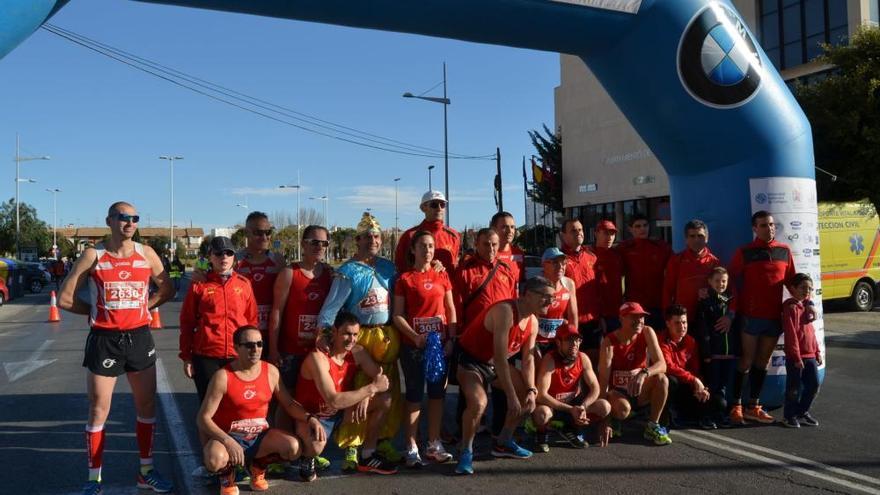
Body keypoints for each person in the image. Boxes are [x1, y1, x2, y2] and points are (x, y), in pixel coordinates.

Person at [58, 201, 175, 495]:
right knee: (98, 410)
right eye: (123, 217)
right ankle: (93, 479)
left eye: (134, 218)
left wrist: (143, 307)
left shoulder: (146, 253)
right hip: (104, 340)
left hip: (139, 338)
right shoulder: (93, 255)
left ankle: (146, 471)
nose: (130, 223)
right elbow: (64, 298)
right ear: (109, 220)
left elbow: (168, 289)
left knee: (146, 406)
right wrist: (94, 312)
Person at [317, 212, 401, 469]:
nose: (372, 240)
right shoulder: (348, 271)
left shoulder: (389, 267)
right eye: (367, 237)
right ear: (357, 240)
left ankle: (382, 438)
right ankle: (352, 445)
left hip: (386, 333)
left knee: (390, 389)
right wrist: (324, 333)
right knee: (361, 390)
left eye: (376, 236)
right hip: (360, 335)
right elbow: (331, 308)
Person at [198, 325, 324, 495]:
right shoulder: (222, 376)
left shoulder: (271, 372)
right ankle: (227, 476)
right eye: (249, 345)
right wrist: (228, 441)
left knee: (293, 448)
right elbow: (203, 418)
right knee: (214, 459)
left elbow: (289, 404)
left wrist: (311, 418)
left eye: (259, 344)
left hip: (259, 437)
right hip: (229, 437)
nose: (255, 349)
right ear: (236, 348)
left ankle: (258, 466)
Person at [454, 277, 551, 475]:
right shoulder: (506, 311)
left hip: (493, 364)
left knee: (527, 397)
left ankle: (504, 441)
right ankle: (466, 451)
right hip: (470, 361)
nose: (550, 302)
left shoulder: (532, 320)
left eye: (553, 298)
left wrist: (531, 390)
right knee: (479, 403)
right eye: (546, 297)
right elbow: (500, 359)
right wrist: (511, 397)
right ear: (529, 295)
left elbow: (528, 360)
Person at [295, 312, 396, 478]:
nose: (352, 339)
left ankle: (367, 455)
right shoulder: (318, 358)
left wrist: (368, 396)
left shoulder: (357, 352)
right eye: (347, 334)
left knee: (384, 400)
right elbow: (333, 400)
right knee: (316, 447)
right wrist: (370, 389)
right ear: (334, 332)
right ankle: (307, 456)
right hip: (313, 416)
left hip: (340, 413)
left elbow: (383, 380)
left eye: (355, 334)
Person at [392, 231, 457, 466]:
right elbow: (397, 315)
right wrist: (414, 336)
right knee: (414, 396)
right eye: (423, 246)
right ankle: (411, 446)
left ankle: (433, 443)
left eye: (431, 246)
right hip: (414, 348)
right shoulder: (404, 279)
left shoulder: (442, 275)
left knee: (438, 394)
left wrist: (451, 338)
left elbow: (450, 309)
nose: (428, 250)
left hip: (440, 347)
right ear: (413, 250)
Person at [727, 211, 797, 425]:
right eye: (764, 225)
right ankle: (735, 406)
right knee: (746, 361)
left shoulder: (784, 251)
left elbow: (793, 283)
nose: (770, 228)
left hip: (773, 317)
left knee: (763, 361)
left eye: (772, 224)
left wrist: (803, 302)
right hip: (750, 316)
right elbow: (728, 281)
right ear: (754, 229)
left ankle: (753, 406)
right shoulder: (745, 252)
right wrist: (732, 308)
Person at [180, 236, 258, 403]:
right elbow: (187, 323)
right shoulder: (199, 284)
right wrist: (187, 357)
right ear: (210, 256)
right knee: (209, 406)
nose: (224, 257)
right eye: (219, 253)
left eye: (229, 253)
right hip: (206, 357)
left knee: (236, 404)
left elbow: (252, 322)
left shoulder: (244, 284)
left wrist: (253, 353)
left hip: (238, 355)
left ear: (234, 257)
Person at [597, 301, 670, 446]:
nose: (639, 321)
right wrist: (604, 420)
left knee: (662, 379)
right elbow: (603, 381)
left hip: (639, 388)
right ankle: (615, 418)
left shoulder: (647, 332)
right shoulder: (609, 342)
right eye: (634, 317)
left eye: (642, 317)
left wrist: (644, 373)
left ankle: (652, 425)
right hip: (618, 393)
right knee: (623, 410)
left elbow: (662, 364)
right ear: (621, 318)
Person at [532, 323, 610, 452]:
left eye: (577, 340)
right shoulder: (549, 359)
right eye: (569, 340)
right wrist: (570, 410)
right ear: (558, 342)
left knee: (604, 406)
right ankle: (541, 433)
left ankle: (571, 429)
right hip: (554, 406)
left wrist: (583, 407)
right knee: (542, 414)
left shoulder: (583, 358)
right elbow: (542, 395)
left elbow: (595, 388)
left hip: (574, 405)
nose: (574, 344)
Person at [659, 305, 724, 429]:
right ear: (668, 324)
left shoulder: (690, 341)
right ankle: (668, 414)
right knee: (670, 380)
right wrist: (693, 380)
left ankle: (697, 415)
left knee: (720, 403)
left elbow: (695, 370)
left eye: (684, 322)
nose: (682, 326)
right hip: (669, 386)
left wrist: (700, 388)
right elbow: (668, 366)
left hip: (686, 385)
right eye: (677, 323)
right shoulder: (661, 339)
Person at [695, 267, 737, 427]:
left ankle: (720, 415)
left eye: (724, 281)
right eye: (717, 281)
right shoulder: (705, 303)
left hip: (728, 354)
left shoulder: (730, 300)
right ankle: (706, 416)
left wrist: (736, 350)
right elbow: (702, 329)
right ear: (710, 282)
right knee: (710, 386)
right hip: (713, 354)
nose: (721, 284)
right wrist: (706, 352)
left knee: (723, 387)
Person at [235, 212, 285, 342]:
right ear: (247, 233)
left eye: (268, 232)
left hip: (272, 334)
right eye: (258, 233)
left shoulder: (278, 261)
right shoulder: (235, 261)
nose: (264, 237)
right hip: (243, 335)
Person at [617, 213, 671, 330]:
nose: (642, 229)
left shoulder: (661, 247)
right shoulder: (624, 249)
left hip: (657, 304)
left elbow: (674, 269)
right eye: (638, 226)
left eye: (645, 225)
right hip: (635, 306)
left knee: (658, 339)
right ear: (630, 229)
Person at [452, 228, 516, 326]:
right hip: (475, 331)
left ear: (498, 245)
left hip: (502, 330)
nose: (491, 249)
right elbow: (456, 304)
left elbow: (514, 300)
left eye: (494, 244)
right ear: (476, 245)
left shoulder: (506, 270)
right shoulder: (465, 270)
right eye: (486, 244)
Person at [782, 273, 822, 428]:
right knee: (794, 389)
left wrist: (817, 352)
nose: (807, 291)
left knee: (813, 385)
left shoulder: (807, 306)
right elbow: (791, 334)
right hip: (796, 358)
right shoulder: (790, 307)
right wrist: (796, 357)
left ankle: (802, 412)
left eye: (810, 288)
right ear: (793, 289)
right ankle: (789, 416)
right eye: (803, 287)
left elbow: (811, 332)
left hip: (810, 355)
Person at [560, 219, 603, 360]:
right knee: (571, 362)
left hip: (592, 320)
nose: (578, 233)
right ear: (563, 235)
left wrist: (601, 316)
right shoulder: (559, 260)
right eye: (573, 230)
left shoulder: (592, 257)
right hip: (569, 322)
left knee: (593, 360)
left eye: (580, 229)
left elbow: (598, 289)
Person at [662, 219, 722, 318]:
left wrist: (729, 315)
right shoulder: (676, 261)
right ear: (686, 239)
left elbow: (726, 294)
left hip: (706, 318)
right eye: (692, 236)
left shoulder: (714, 262)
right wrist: (667, 315)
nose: (696, 240)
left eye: (700, 236)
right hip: (682, 320)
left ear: (706, 238)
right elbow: (668, 291)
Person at [395, 190, 460, 274]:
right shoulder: (409, 236)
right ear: (423, 208)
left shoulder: (454, 236)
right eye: (434, 205)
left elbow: (454, 266)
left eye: (442, 205)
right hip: (418, 285)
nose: (439, 208)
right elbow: (400, 267)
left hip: (448, 286)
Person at [535, 247, 578, 356]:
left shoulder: (569, 284)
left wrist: (572, 339)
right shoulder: (535, 286)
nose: (560, 267)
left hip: (559, 341)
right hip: (537, 341)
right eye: (555, 262)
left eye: (563, 263)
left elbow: (573, 317)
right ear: (544, 265)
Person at [593, 220, 624, 332]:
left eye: (612, 234)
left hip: (616, 311)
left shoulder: (617, 256)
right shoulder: (589, 255)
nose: (610, 237)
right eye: (606, 233)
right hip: (596, 313)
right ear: (596, 233)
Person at [491, 211, 526, 285]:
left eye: (512, 227)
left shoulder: (519, 253)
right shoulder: (487, 254)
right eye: (504, 227)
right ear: (493, 229)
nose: (510, 231)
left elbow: (522, 282)